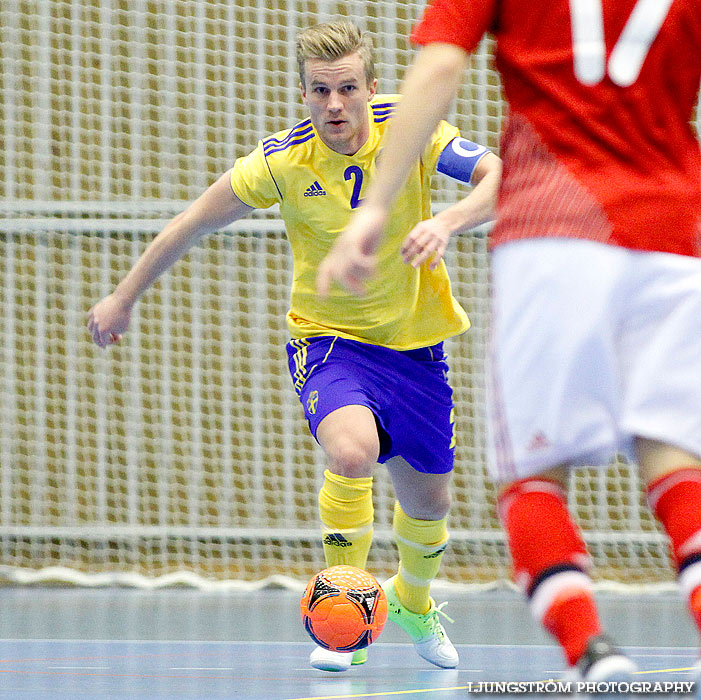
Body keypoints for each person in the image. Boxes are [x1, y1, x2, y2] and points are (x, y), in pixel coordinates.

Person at [87, 20, 501, 673]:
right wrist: (124, 296)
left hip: (417, 347)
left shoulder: (411, 129)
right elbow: (193, 221)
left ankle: (413, 602)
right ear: (303, 94)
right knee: (351, 450)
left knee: (429, 505)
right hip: (329, 340)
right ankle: (346, 617)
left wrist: (445, 220)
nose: (332, 105)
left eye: (344, 89)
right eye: (318, 91)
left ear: (369, 87)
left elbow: (498, 175)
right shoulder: (284, 159)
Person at [317, 0, 701, 685]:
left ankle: (590, 650)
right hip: (671, 232)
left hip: (552, 233)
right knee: (675, 462)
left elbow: (438, 64)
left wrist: (374, 207)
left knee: (532, 477)